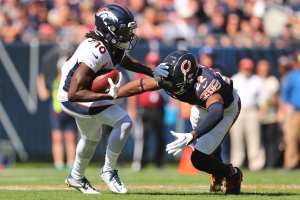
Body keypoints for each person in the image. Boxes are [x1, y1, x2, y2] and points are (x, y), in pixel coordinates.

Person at [57, 4, 164, 194]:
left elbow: (126, 61)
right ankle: (108, 170)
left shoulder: (111, 45)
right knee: (124, 123)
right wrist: (108, 95)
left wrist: (152, 72)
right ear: (109, 30)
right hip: (72, 97)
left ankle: (75, 177)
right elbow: (75, 93)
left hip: (80, 95)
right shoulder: (94, 51)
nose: (128, 35)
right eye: (124, 31)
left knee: (91, 138)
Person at [115, 50, 243, 194]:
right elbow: (142, 85)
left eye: (174, 81)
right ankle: (218, 174)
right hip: (201, 107)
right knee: (208, 148)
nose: (169, 84)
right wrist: (114, 93)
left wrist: (193, 134)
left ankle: (232, 173)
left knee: (198, 158)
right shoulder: (173, 77)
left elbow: (217, 112)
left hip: (226, 109)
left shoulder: (205, 84)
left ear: (189, 78)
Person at [37, 57, 77, 170]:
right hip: (56, 112)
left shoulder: (72, 81)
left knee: (70, 138)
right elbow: (43, 94)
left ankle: (71, 163)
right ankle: (58, 164)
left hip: (69, 111)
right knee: (57, 137)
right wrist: (39, 81)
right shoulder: (53, 80)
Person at [129, 52, 166, 171]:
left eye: (156, 62)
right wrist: (132, 108)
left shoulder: (163, 75)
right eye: (152, 62)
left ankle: (159, 162)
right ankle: (140, 162)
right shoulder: (141, 75)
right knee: (143, 137)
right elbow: (133, 93)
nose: (154, 65)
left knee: (160, 136)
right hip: (144, 110)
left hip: (159, 110)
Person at [230, 58, 266, 171]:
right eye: (245, 68)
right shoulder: (234, 79)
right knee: (237, 139)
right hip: (237, 112)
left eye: (249, 68)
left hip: (252, 111)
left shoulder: (257, 80)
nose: (247, 70)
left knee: (254, 138)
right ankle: (236, 163)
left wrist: (262, 110)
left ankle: (256, 164)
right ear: (241, 68)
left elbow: (263, 97)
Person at [281, 52, 300, 169]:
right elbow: (284, 95)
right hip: (294, 112)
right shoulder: (291, 76)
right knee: (291, 139)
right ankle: (291, 164)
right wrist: (286, 107)